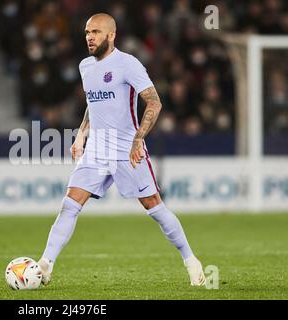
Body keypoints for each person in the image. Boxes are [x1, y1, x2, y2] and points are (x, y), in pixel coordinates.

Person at [37, 13, 206, 287]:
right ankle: (45, 264)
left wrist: (139, 139)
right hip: (96, 151)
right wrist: (81, 136)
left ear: (111, 35)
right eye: (87, 32)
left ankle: (191, 260)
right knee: (69, 205)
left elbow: (154, 103)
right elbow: (94, 104)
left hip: (127, 149)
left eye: (95, 32)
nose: (89, 37)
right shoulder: (85, 66)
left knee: (154, 207)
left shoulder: (128, 64)